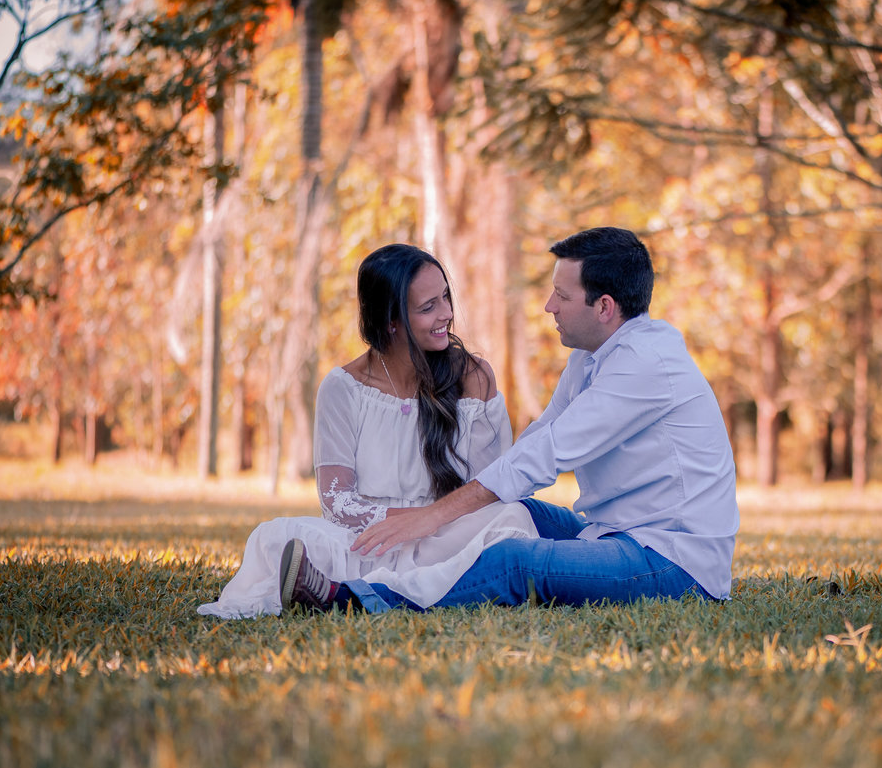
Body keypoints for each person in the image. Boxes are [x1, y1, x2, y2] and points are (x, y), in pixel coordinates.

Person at [288, 226, 738, 612]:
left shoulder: (644, 363)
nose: (549, 306)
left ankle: (352, 598)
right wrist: (452, 514)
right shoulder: (591, 357)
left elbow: (548, 454)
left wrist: (431, 516)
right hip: (610, 534)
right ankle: (398, 571)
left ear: (604, 307)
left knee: (514, 561)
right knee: (511, 511)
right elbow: (537, 438)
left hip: (671, 558)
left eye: (562, 296)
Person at [198, 243, 538, 618]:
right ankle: (399, 587)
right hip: (371, 542)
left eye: (445, 297)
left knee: (512, 519)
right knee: (276, 536)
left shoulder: (473, 375)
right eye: (428, 306)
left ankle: (348, 594)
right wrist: (401, 525)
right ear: (391, 321)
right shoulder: (342, 388)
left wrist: (427, 520)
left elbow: (488, 487)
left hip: (450, 534)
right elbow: (337, 501)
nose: (447, 313)